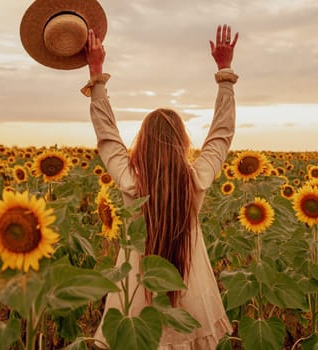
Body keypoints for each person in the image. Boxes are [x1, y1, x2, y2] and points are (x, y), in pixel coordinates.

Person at [82, 24, 239, 349]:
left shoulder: (130, 183)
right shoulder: (195, 180)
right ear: (182, 143)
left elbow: (107, 136)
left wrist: (96, 74)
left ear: (142, 144)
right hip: (192, 303)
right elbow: (221, 134)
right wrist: (224, 73)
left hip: (137, 305)